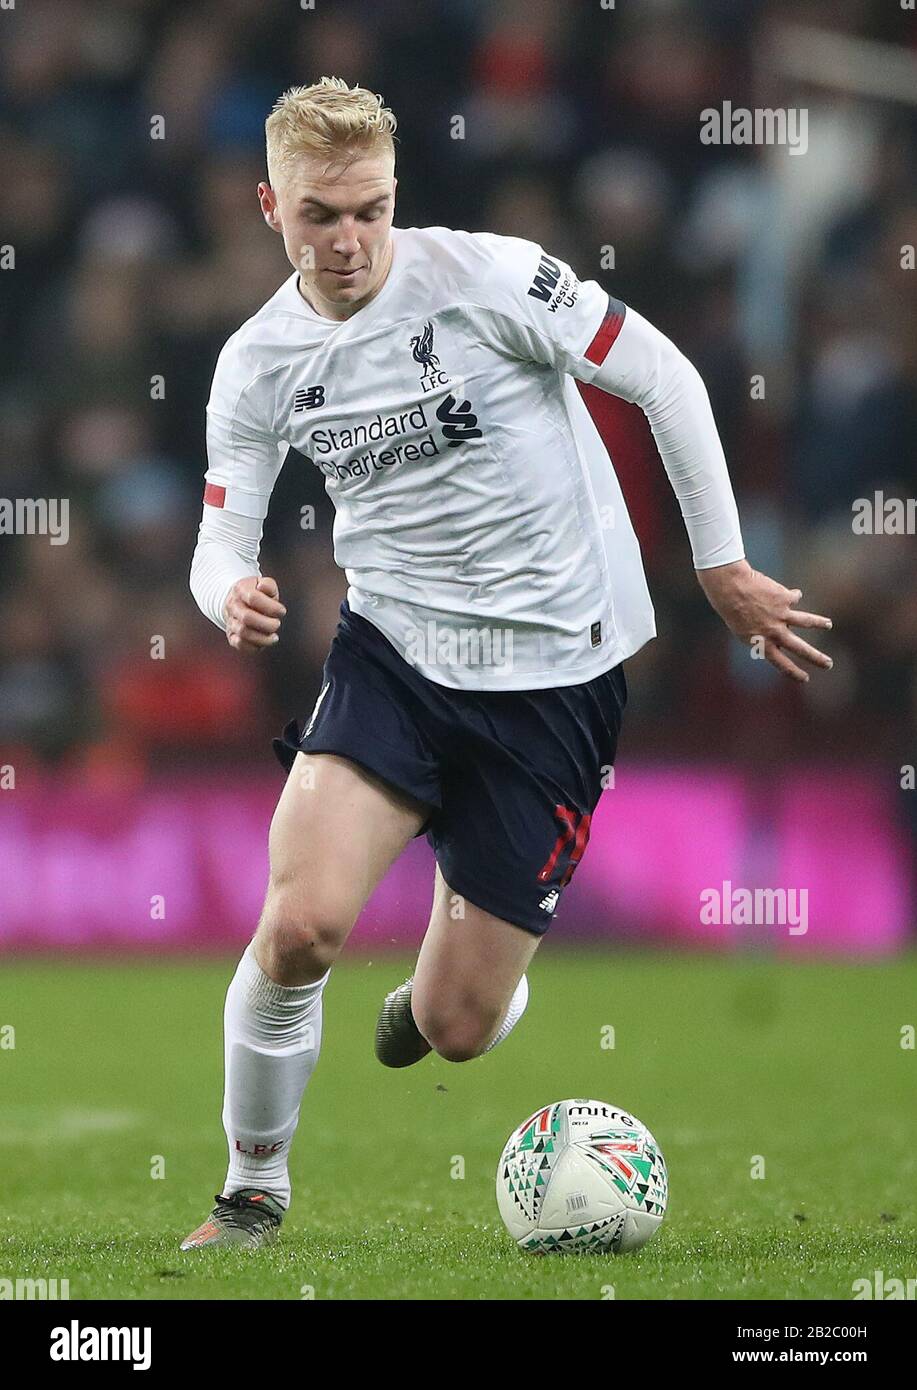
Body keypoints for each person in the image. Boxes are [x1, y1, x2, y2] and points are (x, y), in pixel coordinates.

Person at [183, 78, 832, 1249]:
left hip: (554, 679)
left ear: (397, 197)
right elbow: (219, 535)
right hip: (394, 657)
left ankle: (431, 990)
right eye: (321, 214)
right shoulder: (257, 362)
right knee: (298, 928)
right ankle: (250, 1190)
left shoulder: (487, 278)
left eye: (370, 210)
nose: (348, 240)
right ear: (267, 205)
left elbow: (665, 376)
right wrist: (227, 589)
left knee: (459, 1021)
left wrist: (722, 565)